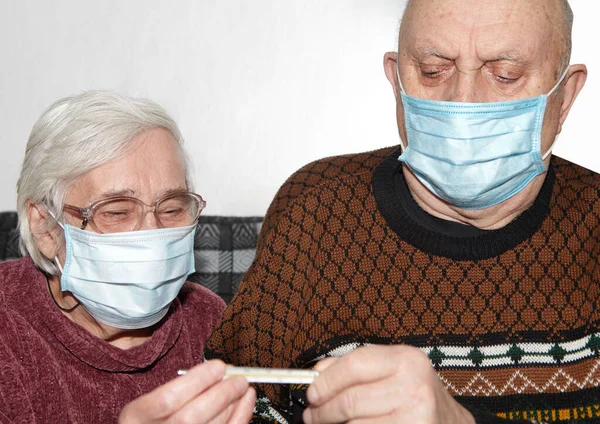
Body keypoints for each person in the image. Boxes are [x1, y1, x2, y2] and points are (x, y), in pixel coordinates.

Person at [206, 0, 598, 422]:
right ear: (397, 80)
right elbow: (234, 400)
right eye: (433, 70)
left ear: (566, 94)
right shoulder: (313, 212)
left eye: (504, 75)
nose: (462, 101)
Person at [0, 90, 255, 423]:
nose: (152, 235)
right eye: (117, 211)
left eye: (173, 208)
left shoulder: (208, 320)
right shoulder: (10, 331)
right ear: (46, 226)